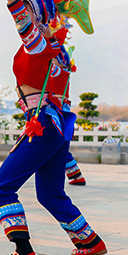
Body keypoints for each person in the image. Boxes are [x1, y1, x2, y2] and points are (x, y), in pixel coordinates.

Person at [0, 0, 107, 255]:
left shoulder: (37, 44)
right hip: (56, 126)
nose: (23, 14)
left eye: (29, 10)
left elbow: (16, 9)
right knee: (50, 193)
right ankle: (89, 241)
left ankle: (22, 250)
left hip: (43, 125)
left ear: (38, 17)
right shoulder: (57, 50)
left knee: (1, 187)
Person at [47, 33, 86, 186]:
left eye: (55, 58)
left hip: (58, 110)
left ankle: (75, 175)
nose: (52, 61)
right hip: (59, 108)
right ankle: (75, 174)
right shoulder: (63, 72)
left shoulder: (59, 72)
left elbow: (46, 67)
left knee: (57, 145)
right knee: (58, 145)